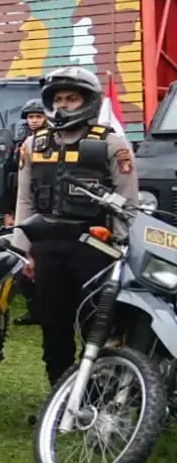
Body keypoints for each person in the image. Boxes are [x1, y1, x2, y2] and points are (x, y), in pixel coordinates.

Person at [13, 67, 139, 384]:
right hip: (46, 248)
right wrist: (23, 252)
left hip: (95, 248)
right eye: (58, 99)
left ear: (88, 101)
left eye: (72, 98)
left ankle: (95, 391)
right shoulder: (33, 144)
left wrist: (122, 250)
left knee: (96, 323)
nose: (63, 105)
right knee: (53, 325)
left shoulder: (112, 143)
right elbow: (25, 201)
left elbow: (129, 204)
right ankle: (58, 391)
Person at [0, 100, 49, 326]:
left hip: (47, 210)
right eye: (31, 117)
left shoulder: (55, 142)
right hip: (23, 206)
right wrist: (7, 211)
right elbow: (8, 180)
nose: (35, 120)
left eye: (39, 116)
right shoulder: (19, 144)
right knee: (21, 259)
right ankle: (34, 309)